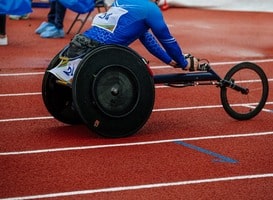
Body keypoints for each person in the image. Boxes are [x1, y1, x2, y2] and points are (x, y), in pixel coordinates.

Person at [64, 0, 202, 71]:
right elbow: (168, 41)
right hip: (101, 53)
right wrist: (183, 62)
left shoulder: (122, 1)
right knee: (141, 68)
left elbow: (146, 38)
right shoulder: (151, 10)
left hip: (82, 43)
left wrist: (169, 61)